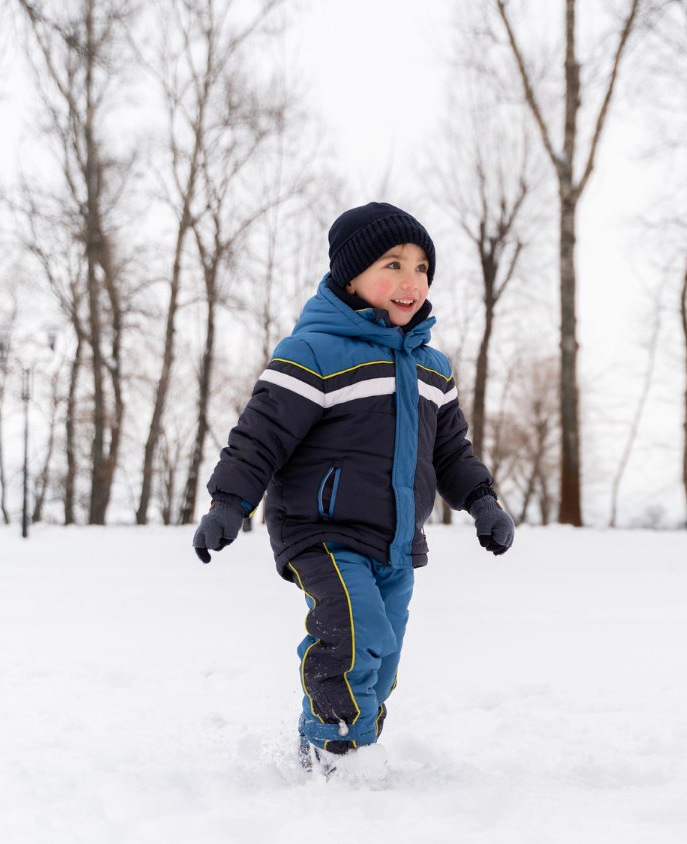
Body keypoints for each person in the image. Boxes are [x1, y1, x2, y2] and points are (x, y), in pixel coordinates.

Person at [192, 201, 514, 771]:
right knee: (353, 629)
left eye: (421, 267)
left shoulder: (433, 368)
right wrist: (228, 504)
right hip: (322, 532)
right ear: (350, 275)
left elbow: (451, 452)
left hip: (394, 541)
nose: (409, 281)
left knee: (382, 652)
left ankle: (356, 745)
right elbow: (259, 438)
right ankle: (331, 748)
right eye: (392, 264)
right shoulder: (314, 353)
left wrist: (482, 500)